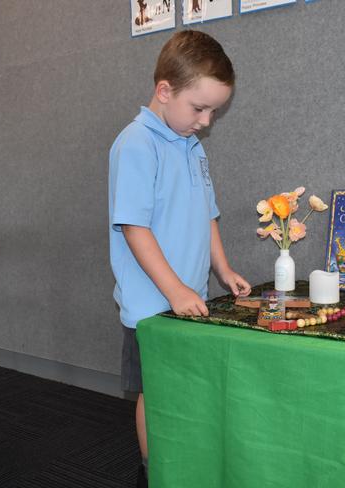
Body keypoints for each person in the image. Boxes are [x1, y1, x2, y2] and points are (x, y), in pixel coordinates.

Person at [108, 30, 251, 487]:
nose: (206, 121)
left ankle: (183, 457)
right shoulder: (136, 144)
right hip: (154, 305)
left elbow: (207, 213)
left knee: (187, 386)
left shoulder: (191, 144)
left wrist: (222, 269)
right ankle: (155, 472)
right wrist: (174, 290)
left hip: (188, 296)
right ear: (164, 91)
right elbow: (134, 227)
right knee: (156, 391)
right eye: (200, 108)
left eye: (213, 111)